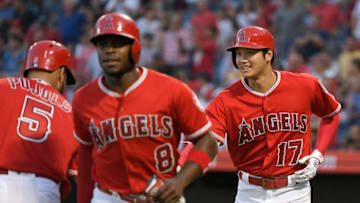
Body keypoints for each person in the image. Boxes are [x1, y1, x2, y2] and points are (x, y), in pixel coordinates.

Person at [73, 13, 218, 203]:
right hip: (108, 197)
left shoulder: (172, 90)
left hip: (161, 196)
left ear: (135, 48)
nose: (109, 50)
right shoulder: (83, 99)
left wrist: (181, 181)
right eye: (102, 44)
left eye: (117, 44)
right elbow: (85, 156)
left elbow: (207, 140)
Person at [206, 26, 341, 202]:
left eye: (249, 53)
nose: (242, 60)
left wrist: (318, 154)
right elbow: (202, 143)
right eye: (239, 54)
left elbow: (331, 114)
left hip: (295, 191)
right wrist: (179, 169)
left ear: (268, 55)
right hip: (250, 192)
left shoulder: (304, 85)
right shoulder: (226, 100)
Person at [0, 40, 79, 203]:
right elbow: (78, 176)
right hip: (44, 189)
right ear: (62, 73)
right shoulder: (70, 112)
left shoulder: (4, 86)